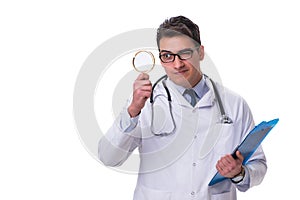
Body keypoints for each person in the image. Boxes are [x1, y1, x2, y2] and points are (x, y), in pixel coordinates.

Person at [98, 15, 267, 200]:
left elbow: (258, 164)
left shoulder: (234, 104)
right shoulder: (143, 103)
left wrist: (239, 173)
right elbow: (108, 157)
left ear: (200, 52)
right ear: (161, 58)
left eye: (185, 53)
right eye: (168, 56)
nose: (177, 64)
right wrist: (132, 111)